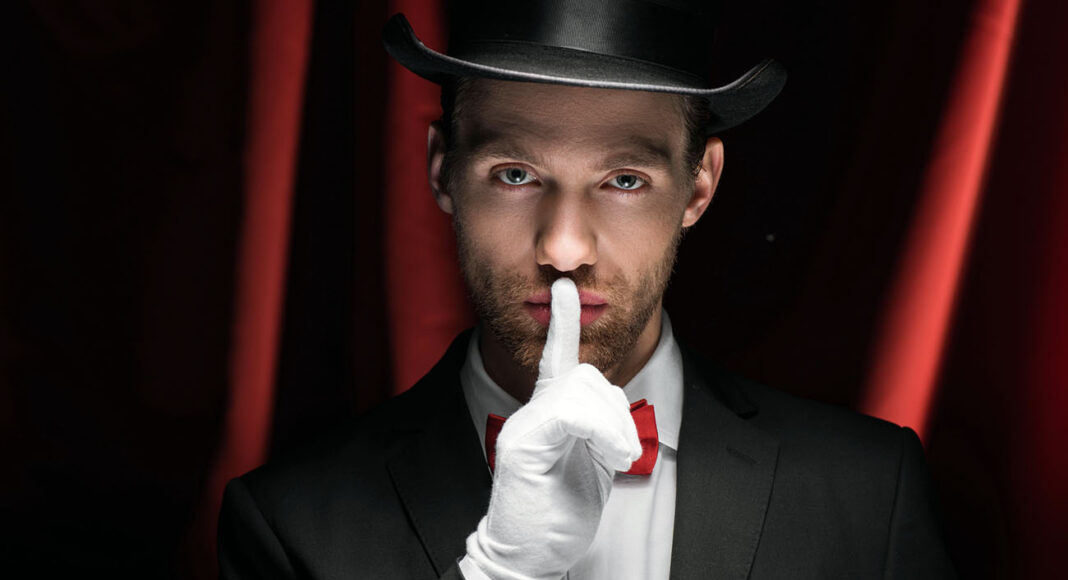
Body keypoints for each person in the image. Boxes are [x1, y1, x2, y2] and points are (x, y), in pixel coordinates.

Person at [218, 1, 956, 578]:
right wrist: (500, 572)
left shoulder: (868, 493)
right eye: (515, 175)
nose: (564, 249)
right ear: (443, 170)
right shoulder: (290, 523)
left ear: (700, 186)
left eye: (624, 180)